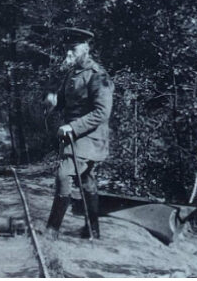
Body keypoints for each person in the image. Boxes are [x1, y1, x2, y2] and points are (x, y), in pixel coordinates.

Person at [44, 28, 113, 239]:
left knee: (64, 174)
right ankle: (93, 230)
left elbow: (103, 112)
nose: (69, 55)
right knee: (85, 179)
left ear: (86, 48)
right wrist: (53, 103)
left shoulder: (98, 75)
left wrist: (73, 128)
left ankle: (52, 230)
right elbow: (65, 103)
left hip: (90, 136)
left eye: (73, 50)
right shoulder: (73, 74)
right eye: (67, 50)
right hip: (75, 135)